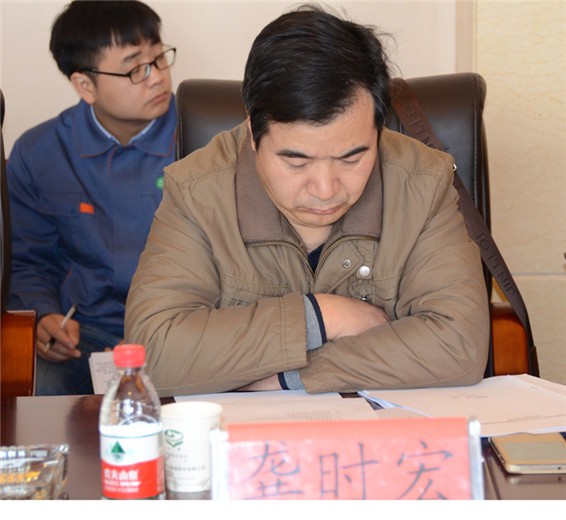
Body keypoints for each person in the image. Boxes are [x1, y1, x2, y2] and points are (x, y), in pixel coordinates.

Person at [125, 4, 490, 397]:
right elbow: (153, 354)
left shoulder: (423, 181)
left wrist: (292, 376)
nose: (325, 189)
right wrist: (321, 316)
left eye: (352, 158)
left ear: (378, 128)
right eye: (296, 162)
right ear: (252, 132)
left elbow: (459, 344)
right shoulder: (195, 191)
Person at [7, 0, 177, 395]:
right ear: (85, 85)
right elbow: (28, 258)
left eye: (159, 58)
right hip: (86, 333)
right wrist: (44, 316)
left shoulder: (203, 137)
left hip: (182, 326)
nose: (156, 78)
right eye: (135, 68)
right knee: (29, 390)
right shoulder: (40, 153)